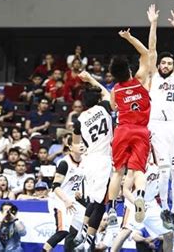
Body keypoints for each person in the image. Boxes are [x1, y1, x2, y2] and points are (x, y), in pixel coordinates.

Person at [146, 5, 174, 231]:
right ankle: (163, 209)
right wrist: (153, 23)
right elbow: (152, 49)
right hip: (156, 127)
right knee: (162, 170)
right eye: (164, 63)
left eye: (169, 64)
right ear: (159, 65)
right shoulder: (154, 76)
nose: (167, 65)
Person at [107, 25, 153, 224]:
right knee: (139, 170)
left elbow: (113, 107)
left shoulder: (115, 90)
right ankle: (140, 194)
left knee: (118, 171)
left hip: (122, 130)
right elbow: (146, 53)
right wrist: (129, 38)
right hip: (141, 131)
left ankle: (111, 211)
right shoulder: (140, 80)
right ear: (128, 70)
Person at [70, 71, 113, 250]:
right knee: (100, 204)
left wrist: (80, 149)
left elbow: (75, 144)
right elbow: (108, 93)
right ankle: (87, 241)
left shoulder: (79, 120)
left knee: (94, 201)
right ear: (96, 100)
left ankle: (82, 233)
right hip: (103, 160)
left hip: (89, 161)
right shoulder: (103, 107)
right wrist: (90, 79)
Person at [112, 154, 174, 252]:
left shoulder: (158, 164)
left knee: (169, 234)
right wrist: (137, 204)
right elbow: (125, 191)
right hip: (134, 202)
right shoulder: (134, 168)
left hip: (151, 203)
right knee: (125, 232)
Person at [44, 138, 86, 252]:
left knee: (85, 224)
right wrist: (66, 200)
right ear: (70, 147)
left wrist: (79, 191)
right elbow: (55, 186)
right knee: (62, 231)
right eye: (78, 143)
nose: (81, 145)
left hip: (71, 198)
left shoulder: (86, 161)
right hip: (58, 199)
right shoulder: (64, 163)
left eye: (83, 143)